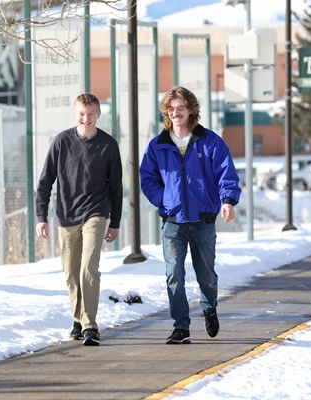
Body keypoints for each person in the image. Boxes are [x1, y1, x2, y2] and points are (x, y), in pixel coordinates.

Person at [139, 86, 241, 344]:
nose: (175, 113)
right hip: (173, 222)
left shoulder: (210, 141)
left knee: (206, 274)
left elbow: (226, 173)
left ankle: (209, 307)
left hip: (203, 219)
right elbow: (147, 178)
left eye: (181, 108)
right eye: (171, 109)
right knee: (174, 274)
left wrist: (227, 201)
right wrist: (164, 201)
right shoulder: (158, 145)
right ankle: (181, 327)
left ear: (191, 110)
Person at [35, 93, 123, 347]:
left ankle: (90, 325)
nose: (86, 118)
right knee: (72, 273)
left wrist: (114, 222)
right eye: (82, 114)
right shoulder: (62, 142)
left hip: (96, 212)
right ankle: (78, 319)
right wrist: (42, 216)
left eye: (91, 113)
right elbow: (44, 182)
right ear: (76, 115)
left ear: (98, 114)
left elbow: (116, 187)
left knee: (88, 268)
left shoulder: (108, 145)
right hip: (66, 214)